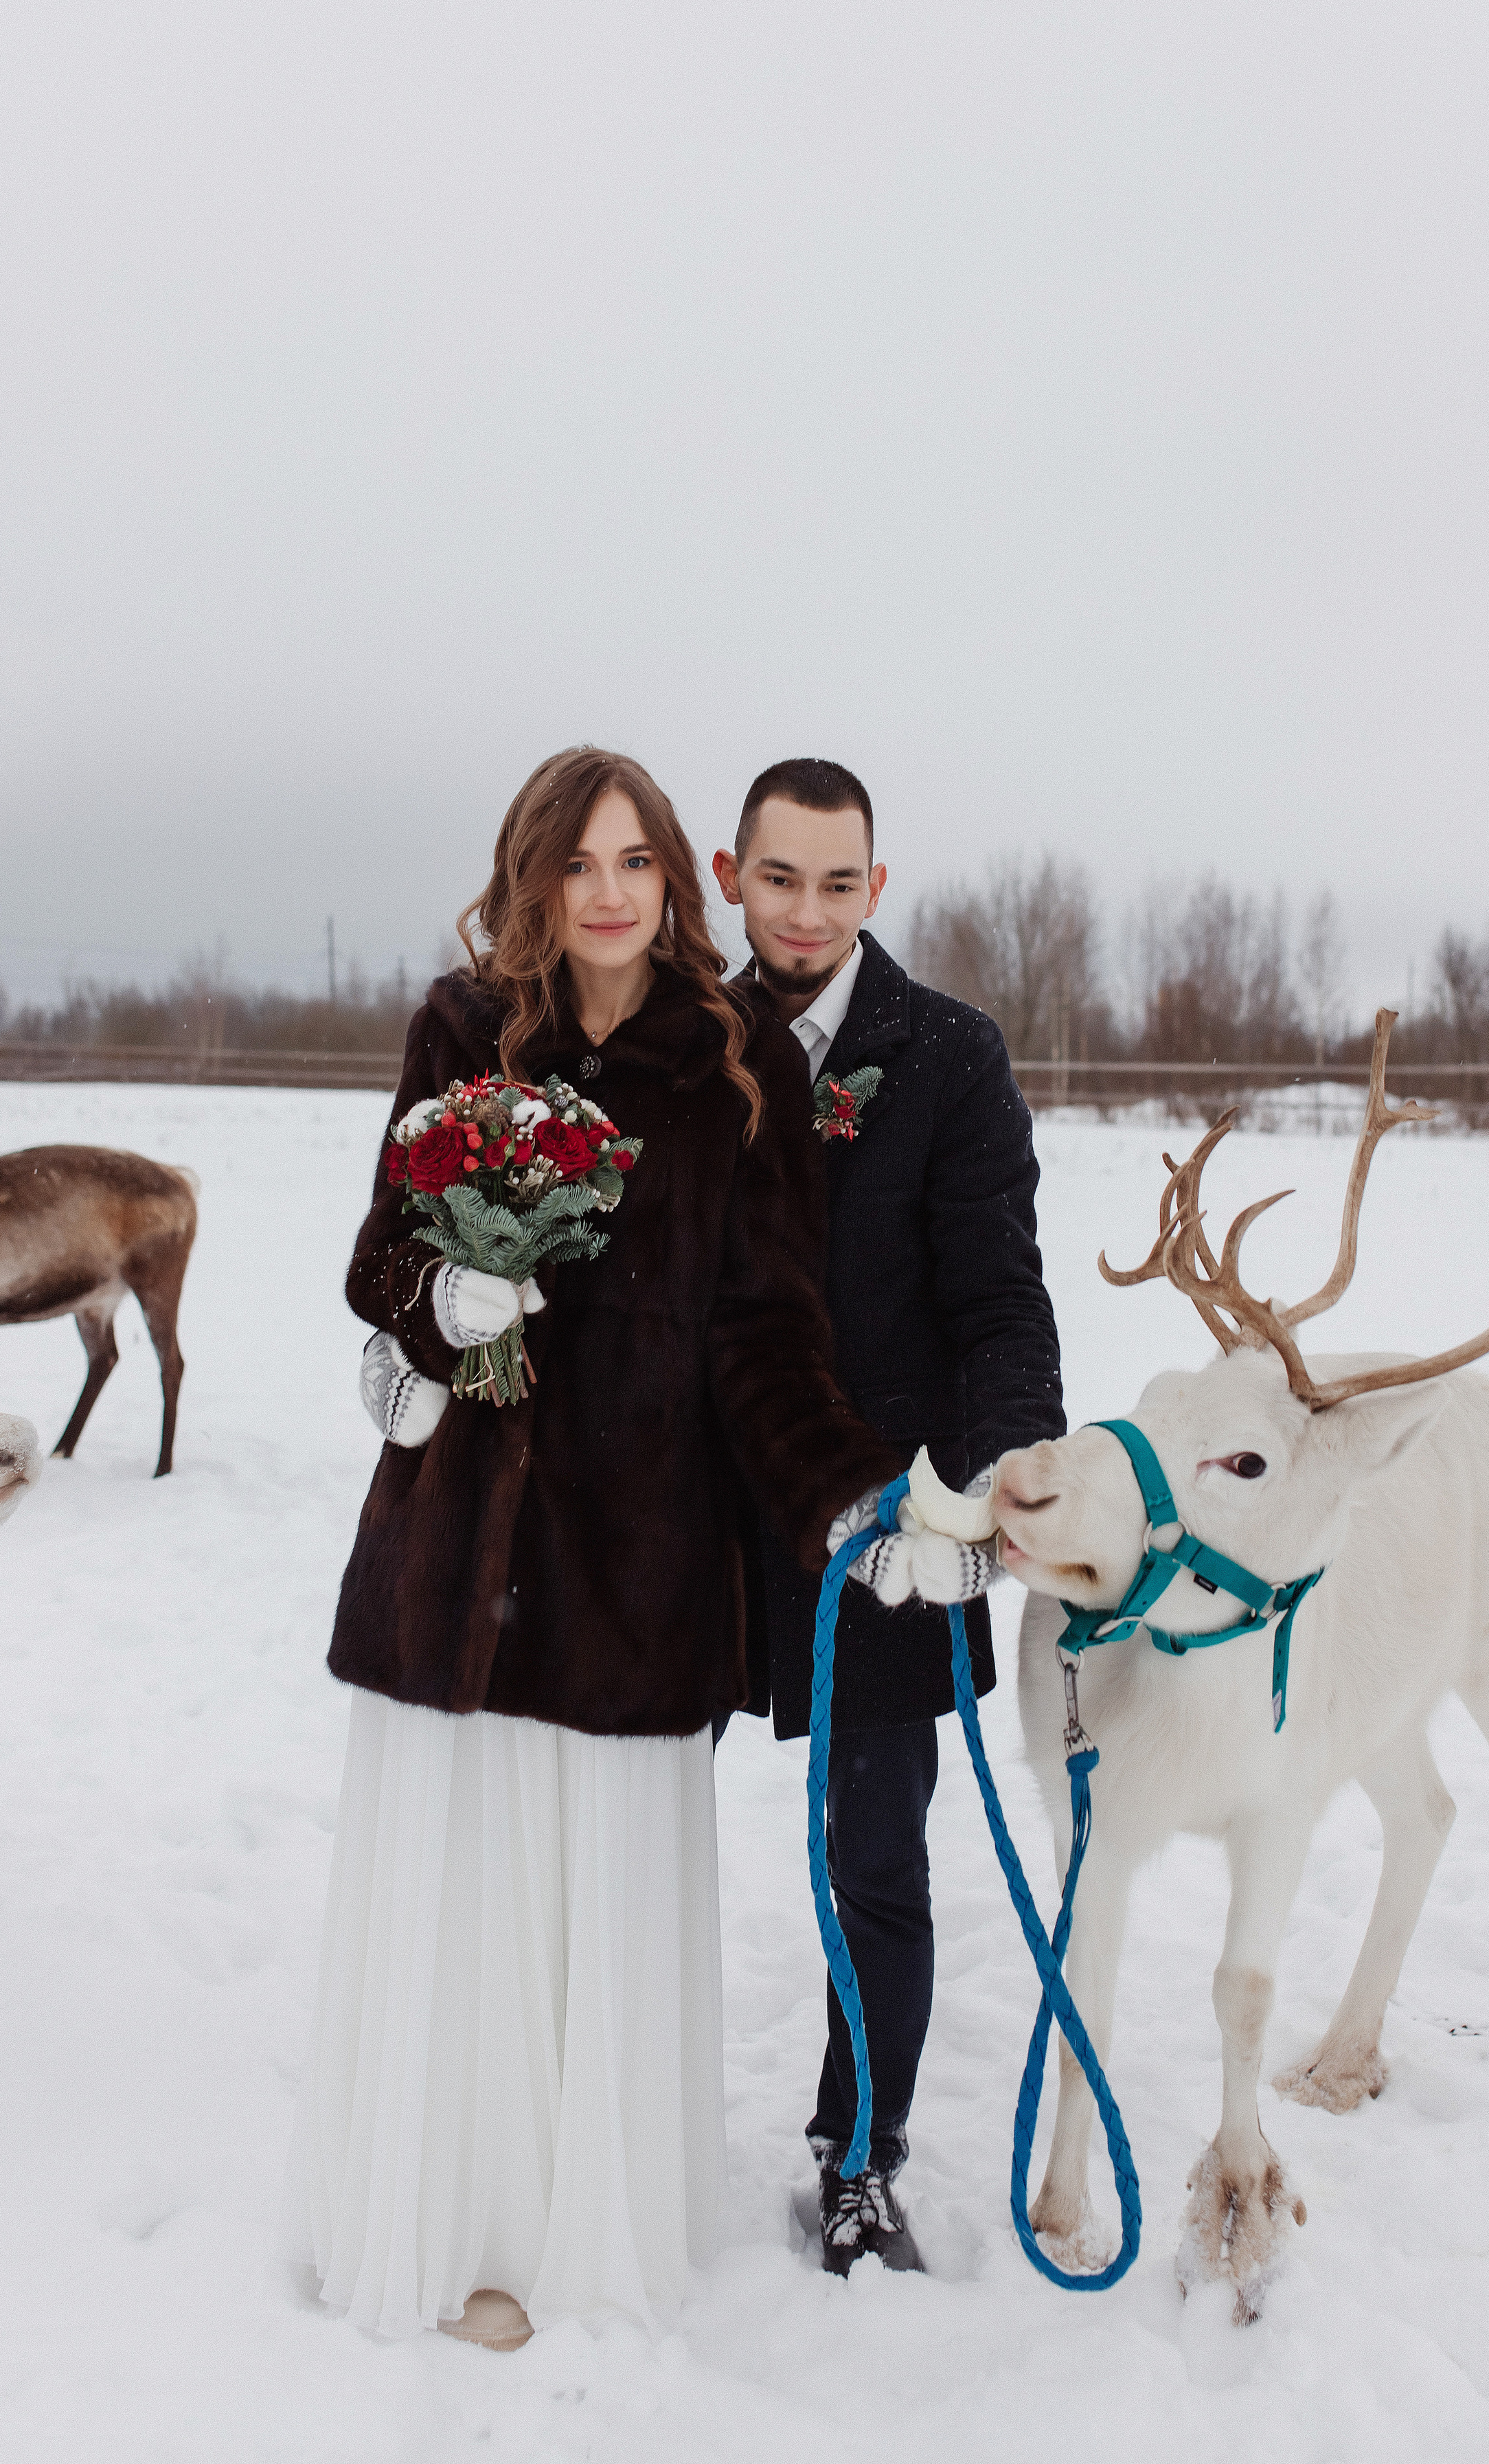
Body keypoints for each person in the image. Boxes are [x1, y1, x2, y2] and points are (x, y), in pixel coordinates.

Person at [282, 746, 901, 2347]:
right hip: (462, 1557)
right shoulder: (459, 1031)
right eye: (579, 864)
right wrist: (444, 1301)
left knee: (594, 1914)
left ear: (672, 882)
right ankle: (469, 2233)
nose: (610, 892)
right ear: (532, 878)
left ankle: (581, 2231)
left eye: (636, 862)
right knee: (474, 1906)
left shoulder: (735, 1061)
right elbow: (378, 1260)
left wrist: (851, 1501)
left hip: (637, 1573)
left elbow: (767, 1333)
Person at [713, 758, 1065, 2276]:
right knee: (618, 1827)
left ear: (876, 885)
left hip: (889, 1532)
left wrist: (993, 1486)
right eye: (778, 878)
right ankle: (599, 2128)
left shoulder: (949, 1056)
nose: (806, 910)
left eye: (836, 880)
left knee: (877, 1855)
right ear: (729, 877)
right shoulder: (678, 1042)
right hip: (696, 1524)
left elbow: (996, 1297)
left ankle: (859, 2157)